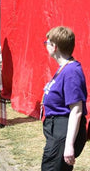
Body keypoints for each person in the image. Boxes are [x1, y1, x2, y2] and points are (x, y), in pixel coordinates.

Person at [41, 26, 87, 171]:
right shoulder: (64, 68)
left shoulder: (71, 72)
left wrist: (68, 145)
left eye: (47, 42)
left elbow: (77, 110)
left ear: (54, 46)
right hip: (57, 131)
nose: (45, 45)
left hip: (63, 131)